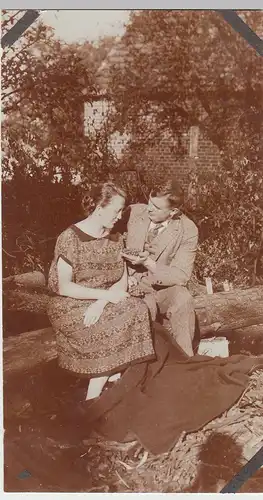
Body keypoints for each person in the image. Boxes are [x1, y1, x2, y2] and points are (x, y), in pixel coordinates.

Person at [47, 181, 155, 401]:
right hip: (72, 301)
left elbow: (121, 281)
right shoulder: (69, 238)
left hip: (104, 299)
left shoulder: (116, 239)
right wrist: (104, 297)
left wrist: (102, 301)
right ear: (99, 209)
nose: (119, 217)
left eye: (121, 211)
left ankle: (112, 380)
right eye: (116, 211)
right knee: (105, 324)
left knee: (138, 308)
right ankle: (95, 396)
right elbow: (64, 286)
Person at [121, 178, 198, 356]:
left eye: (156, 208)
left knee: (183, 299)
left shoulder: (188, 229)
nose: (149, 209)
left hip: (162, 288)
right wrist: (122, 275)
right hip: (128, 283)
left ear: (173, 211)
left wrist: (148, 263)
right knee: (145, 309)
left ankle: (185, 360)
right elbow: (105, 237)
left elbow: (181, 275)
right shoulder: (133, 212)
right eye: (149, 202)